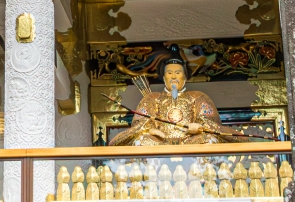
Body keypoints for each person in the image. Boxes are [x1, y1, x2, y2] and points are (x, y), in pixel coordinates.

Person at [106, 62, 249, 146]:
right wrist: (151, 130)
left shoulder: (197, 97)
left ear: (185, 78)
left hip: (191, 141)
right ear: (164, 78)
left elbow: (211, 123)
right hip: (160, 143)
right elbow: (140, 125)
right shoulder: (152, 98)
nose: (173, 76)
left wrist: (200, 127)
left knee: (209, 139)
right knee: (141, 140)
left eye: (177, 73)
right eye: (169, 73)